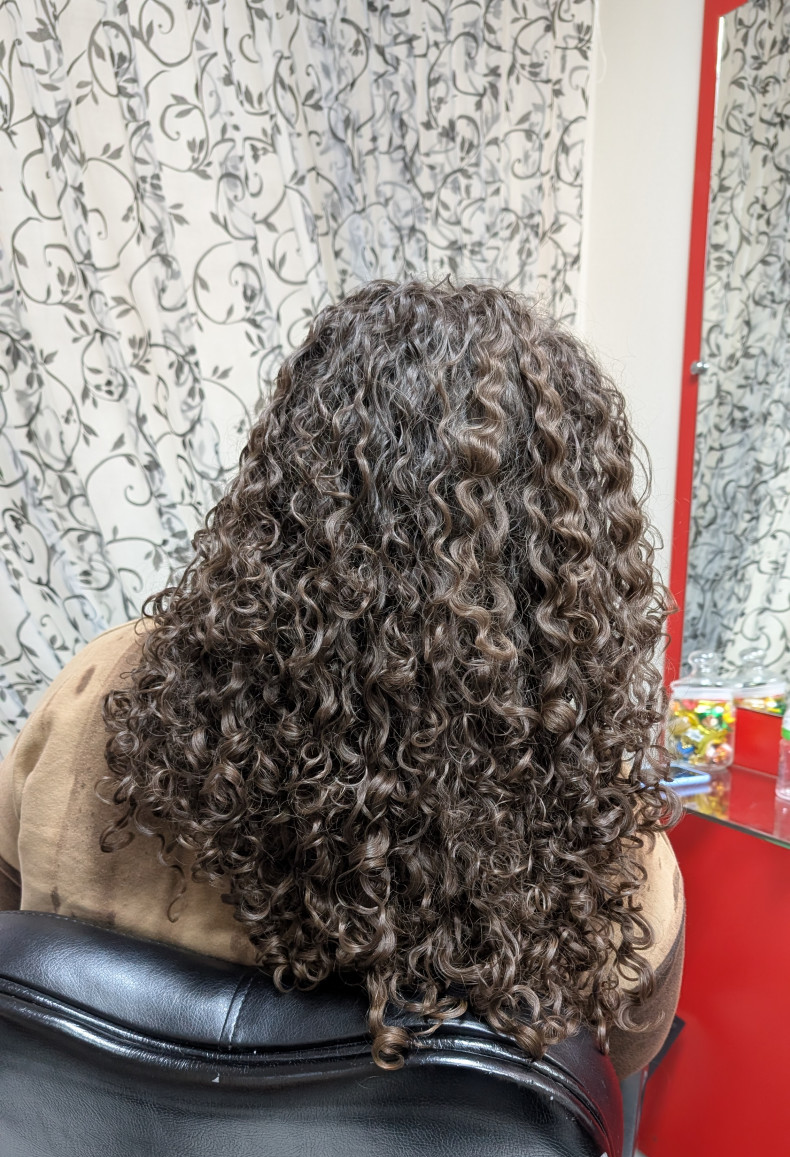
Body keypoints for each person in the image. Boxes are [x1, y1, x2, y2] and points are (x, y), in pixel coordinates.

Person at [0, 279, 683, 1074]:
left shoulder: (105, 689)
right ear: (567, 543)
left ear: (289, 477)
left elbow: (14, 920)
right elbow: (623, 1050)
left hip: (97, 1147)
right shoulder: (587, 798)